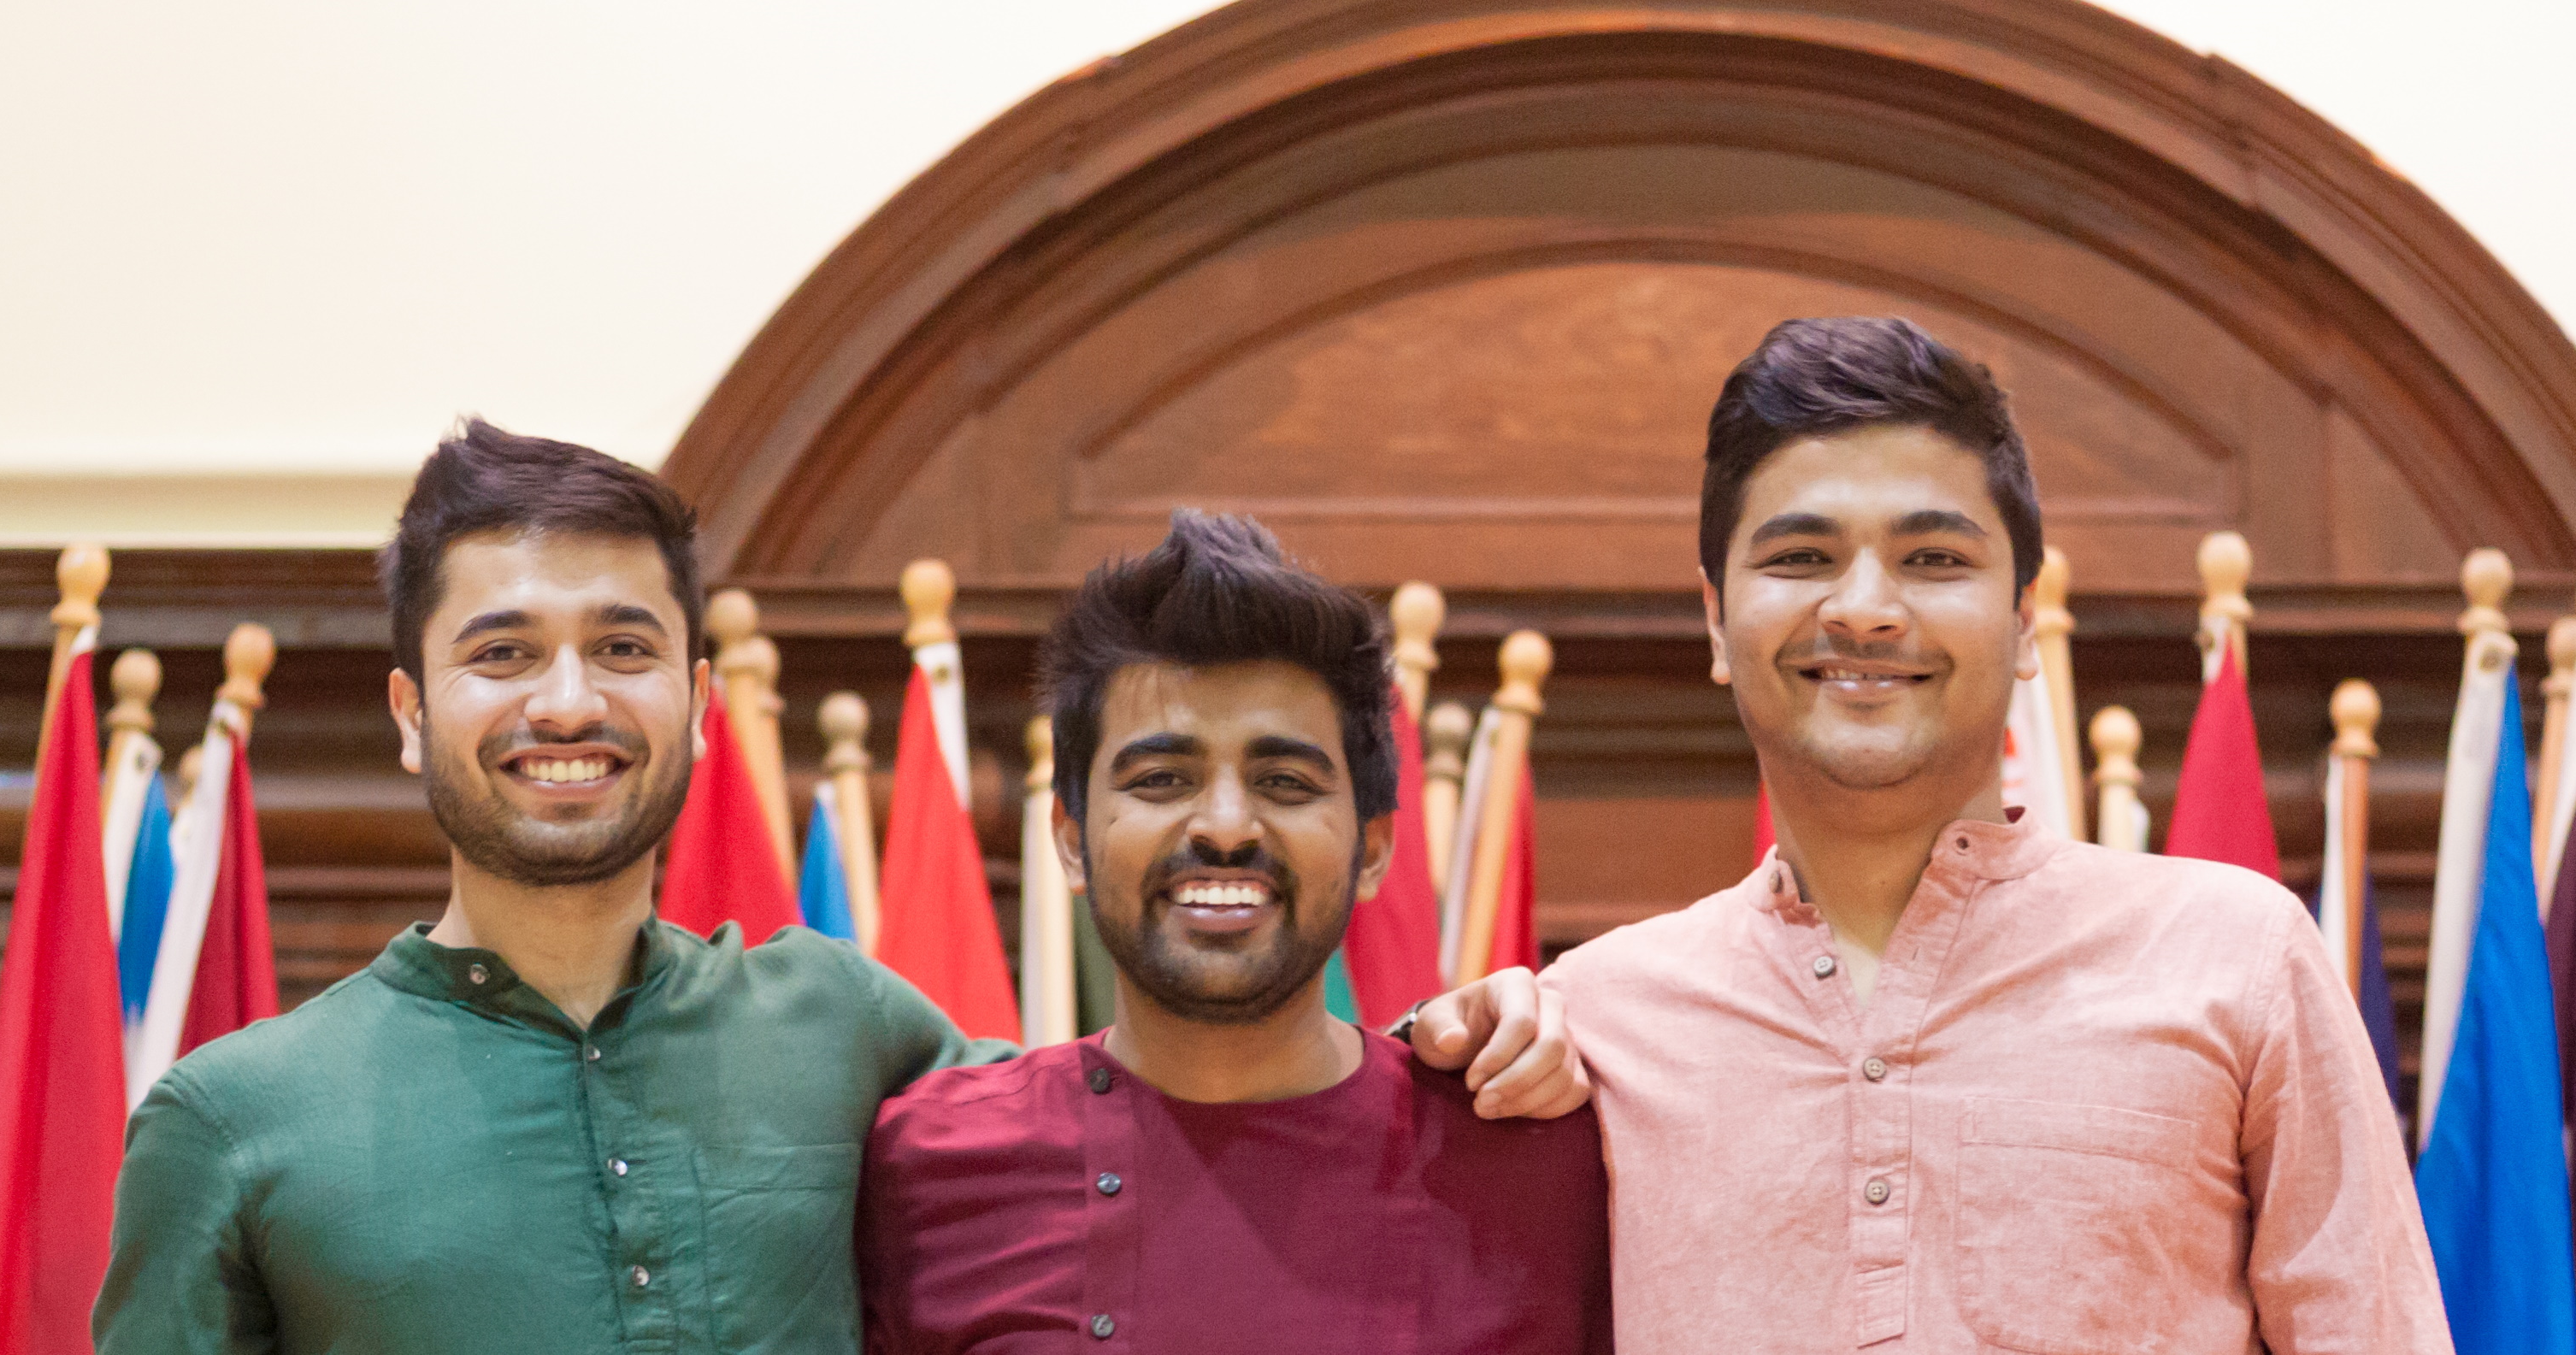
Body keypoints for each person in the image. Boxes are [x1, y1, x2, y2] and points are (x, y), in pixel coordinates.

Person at [95, 421, 1581, 1355]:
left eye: (622, 649)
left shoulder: (843, 1028)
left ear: (691, 695)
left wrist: (1499, 1021)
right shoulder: (232, 1123)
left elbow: (1183, 1105)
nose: (567, 702)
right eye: (500, 654)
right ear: (409, 711)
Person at [1540, 319, 2448, 1353]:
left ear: (2023, 620)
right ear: (1715, 621)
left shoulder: (2236, 956)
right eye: (1802, 555)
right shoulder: (1591, 1025)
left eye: (1932, 557)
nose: (1867, 609)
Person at [857, 512, 1610, 1354]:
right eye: (1162, 778)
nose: (1223, 824)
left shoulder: (1542, 1165)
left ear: (1371, 848)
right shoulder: (922, 1166)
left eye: (1283, 781)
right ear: (1071, 838)